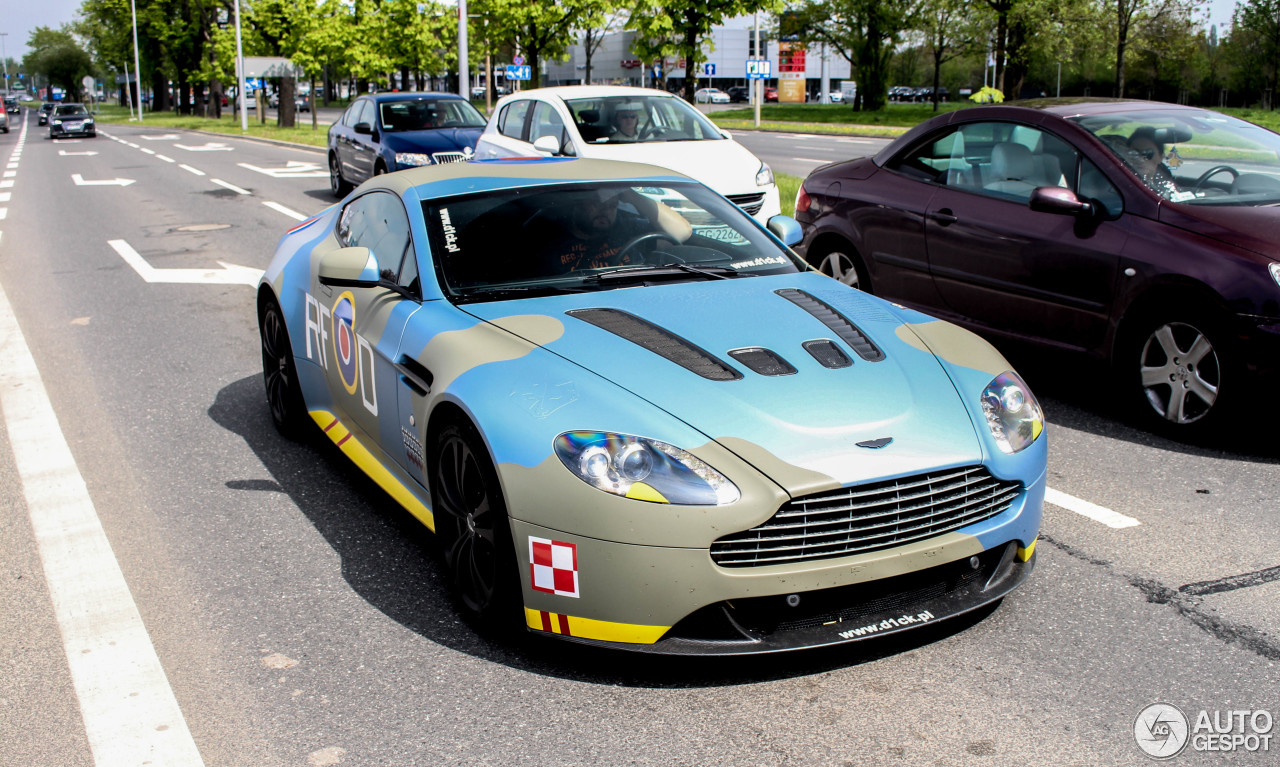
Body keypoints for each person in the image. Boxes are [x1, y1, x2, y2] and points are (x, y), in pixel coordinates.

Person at [536, 187, 692, 274]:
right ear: (578, 205)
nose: (605, 211)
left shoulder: (627, 228)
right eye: (597, 204)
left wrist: (632, 196)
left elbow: (682, 232)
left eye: (612, 206)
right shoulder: (550, 239)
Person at [1127, 127, 1179, 200]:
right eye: (1134, 154)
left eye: (1148, 153)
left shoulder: (1165, 183)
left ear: (1161, 157)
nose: (1140, 159)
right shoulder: (1120, 185)